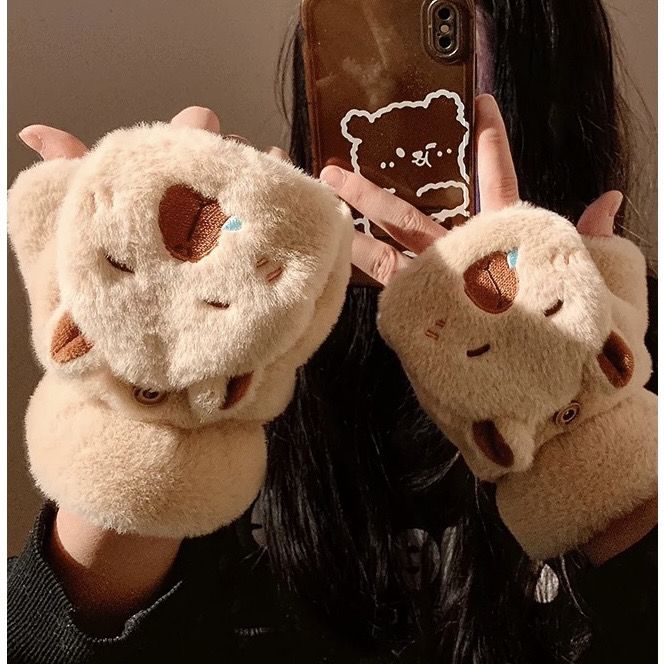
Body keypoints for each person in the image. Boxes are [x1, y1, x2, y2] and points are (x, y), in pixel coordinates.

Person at [8, 1, 656, 662]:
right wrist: (144, 382)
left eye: (442, 60)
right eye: (366, 56)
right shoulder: (250, 324)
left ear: (545, 79)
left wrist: (576, 419)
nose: (396, 92)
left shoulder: (633, 338)